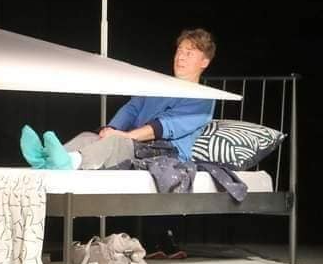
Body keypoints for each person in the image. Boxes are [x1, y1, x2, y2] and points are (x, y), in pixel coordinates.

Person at [20, 28, 216, 171]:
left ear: (204, 62)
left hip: (166, 150)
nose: (181, 57)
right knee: (89, 137)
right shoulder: (160, 86)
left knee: (116, 143)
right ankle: (45, 160)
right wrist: (111, 129)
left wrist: (124, 136)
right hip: (136, 141)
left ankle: (68, 163)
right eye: (179, 51)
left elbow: (165, 126)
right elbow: (132, 109)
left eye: (189, 53)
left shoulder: (204, 98)